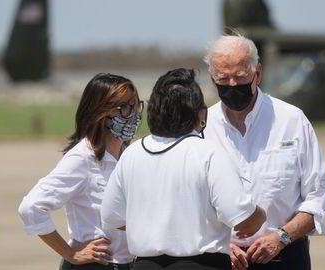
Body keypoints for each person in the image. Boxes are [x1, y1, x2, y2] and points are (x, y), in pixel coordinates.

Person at [101, 68, 266, 270]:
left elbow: (111, 217)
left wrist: (157, 229)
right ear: (200, 114)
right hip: (201, 264)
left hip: (145, 264)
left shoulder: (132, 153)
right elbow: (245, 222)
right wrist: (261, 215)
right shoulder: (209, 153)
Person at [204, 34, 325, 270]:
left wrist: (281, 237)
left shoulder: (291, 120)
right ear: (212, 78)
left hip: (284, 254)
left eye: (241, 76)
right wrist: (221, 245)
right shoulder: (201, 127)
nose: (233, 85)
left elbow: (319, 197)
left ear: (258, 73)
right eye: (224, 78)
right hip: (222, 258)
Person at [18, 73, 143, 270]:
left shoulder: (130, 156)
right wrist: (70, 253)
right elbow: (31, 207)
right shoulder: (82, 158)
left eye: (135, 104)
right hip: (96, 264)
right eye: (124, 107)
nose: (134, 113)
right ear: (101, 113)